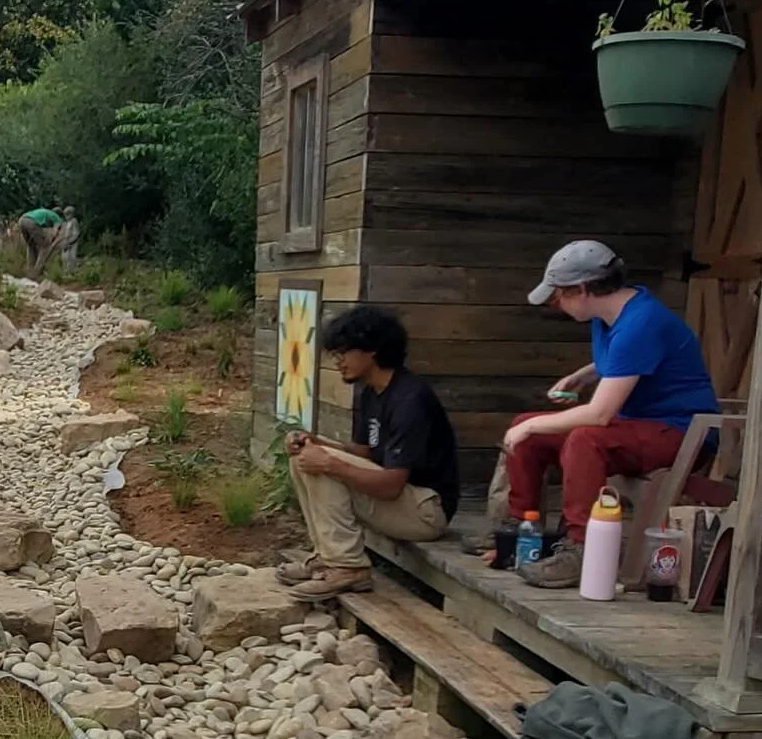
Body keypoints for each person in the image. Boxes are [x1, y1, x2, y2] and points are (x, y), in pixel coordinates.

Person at [485, 240, 718, 589]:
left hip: (682, 432)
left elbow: (599, 414)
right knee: (529, 430)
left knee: (584, 439)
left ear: (582, 290)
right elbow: (624, 357)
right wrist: (584, 375)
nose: (556, 305)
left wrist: (534, 425)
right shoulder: (611, 315)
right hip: (638, 424)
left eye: (557, 297)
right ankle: (520, 534)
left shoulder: (642, 322)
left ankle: (580, 550)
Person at [279, 306, 460, 600]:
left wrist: (329, 462)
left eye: (343, 352)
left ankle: (348, 567)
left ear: (372, 349)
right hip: (402, 501)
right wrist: (318, 443)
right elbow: (365, 455)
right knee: (306, 457)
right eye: (335, 354)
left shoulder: (410, 400)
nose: (338, 361)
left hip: (426, 511)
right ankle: (328, 557)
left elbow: (391, 486)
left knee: (323, 465)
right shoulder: (371, 392)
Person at [17, 204, 62, 276]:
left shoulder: (45, 212)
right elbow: (55, 230)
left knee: (31, 246)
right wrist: (52, 240)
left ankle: (30, 269)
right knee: (44, 246)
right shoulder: (56, 216)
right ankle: (37, 271)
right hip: (31, 222)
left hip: (21, 220)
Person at [42, 205, 81, 276]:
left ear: (72, 214)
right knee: (64, 257)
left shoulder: (74, 221)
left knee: (71, 258)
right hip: (66, 242)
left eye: (68, 214)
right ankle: (65, 272)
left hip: (72, 243)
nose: (66, 216)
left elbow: (76, 233)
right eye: (65, 215)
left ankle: (71, 273)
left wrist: (71, 241)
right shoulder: (66, 223)